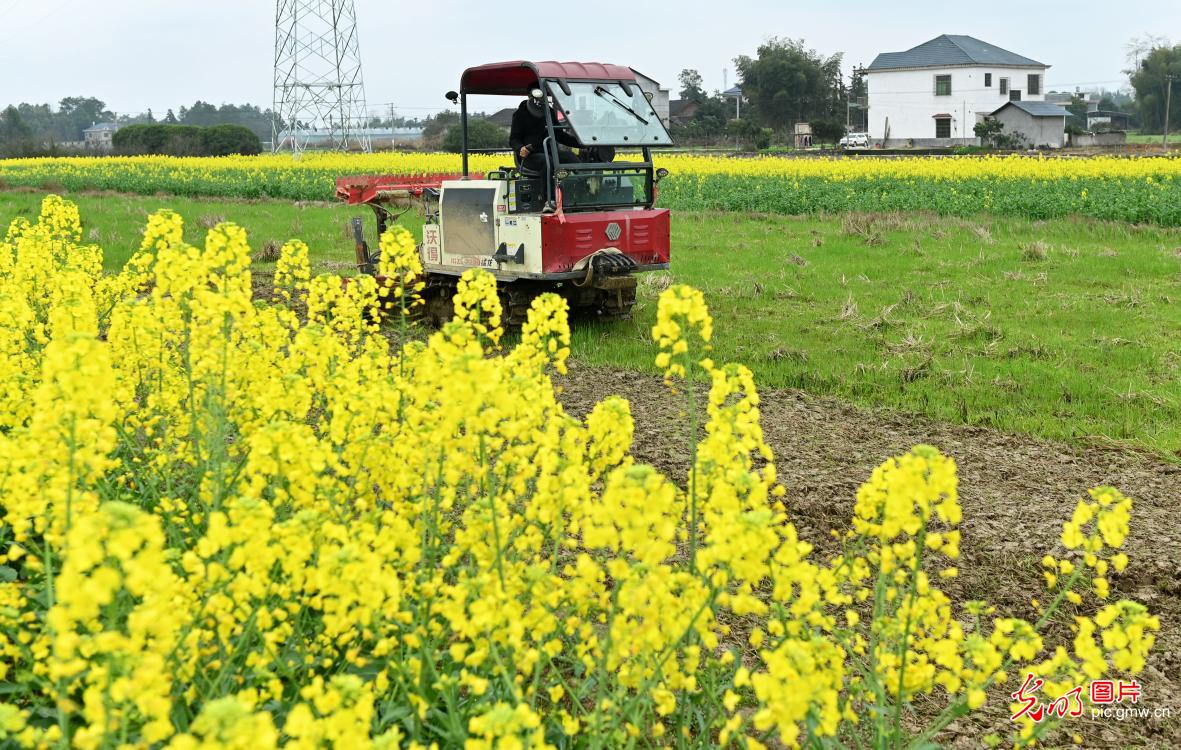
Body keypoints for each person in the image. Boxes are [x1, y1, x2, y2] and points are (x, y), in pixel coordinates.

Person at [509, 88, 582, 174]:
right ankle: (548, 188)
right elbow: (514, 139)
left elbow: (560, 135)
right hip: (530, 155)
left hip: (550, 152)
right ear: (530, 95)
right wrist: (520, 148)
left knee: (572, 158)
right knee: (547, 163)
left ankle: (580, 186)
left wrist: (581, 144)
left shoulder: (549, 112)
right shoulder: (520, 114)